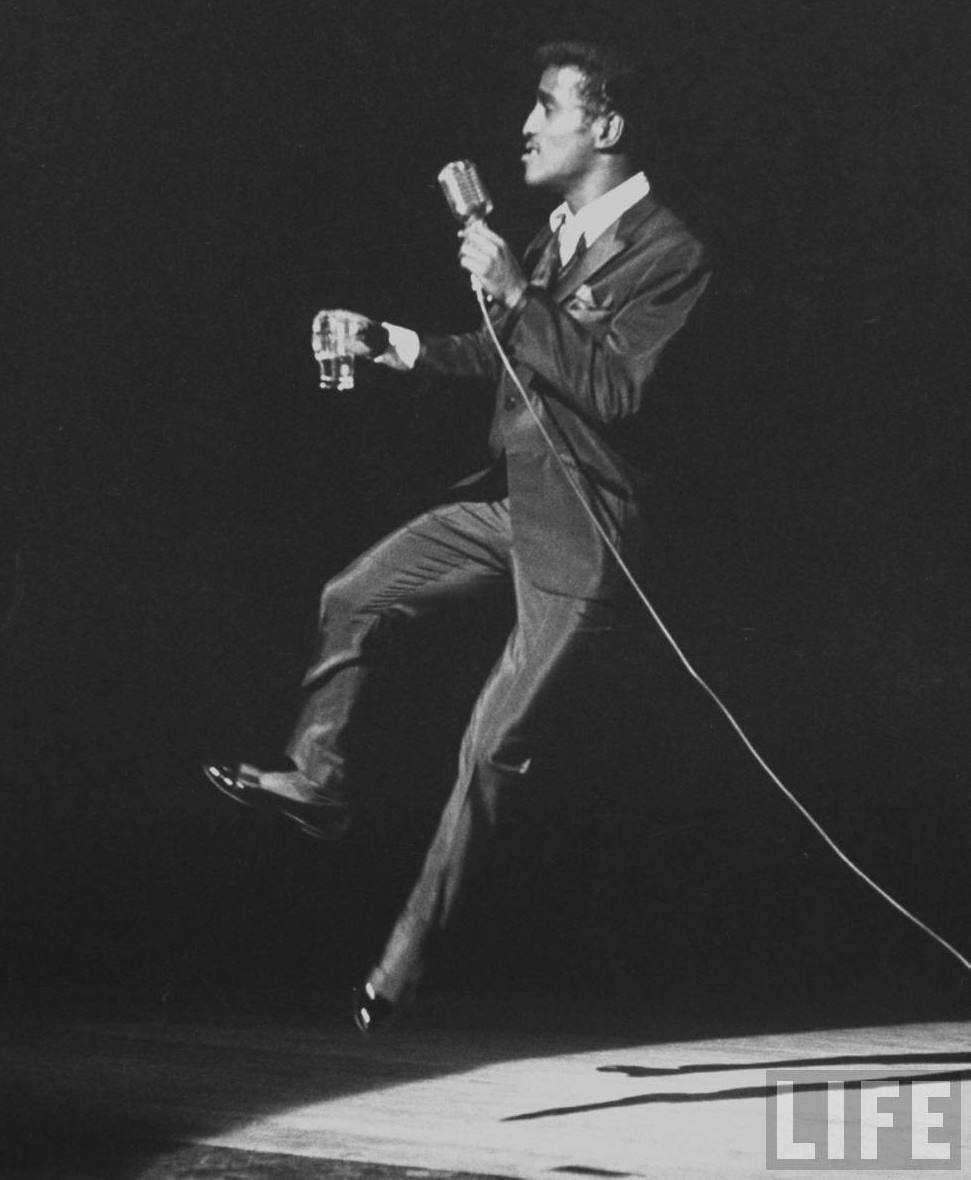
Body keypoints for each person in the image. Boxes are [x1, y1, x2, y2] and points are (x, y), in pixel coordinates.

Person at [203, 40, 711, 1033]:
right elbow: (506, 355)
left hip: (581, 527)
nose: (525, 125)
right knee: (352, 592)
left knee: (487, 749)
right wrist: (390, 342)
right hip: (509, 500)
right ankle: (318, 779)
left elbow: (613, 387)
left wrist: (519, 292)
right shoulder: (557, 232)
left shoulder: (670, 253)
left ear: (605, 127)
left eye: (546, 105)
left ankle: (407, 950)